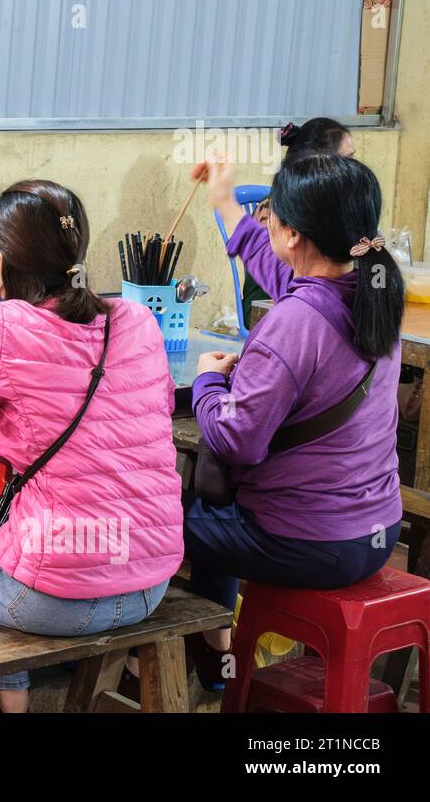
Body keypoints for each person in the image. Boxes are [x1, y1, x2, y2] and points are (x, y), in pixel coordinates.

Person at [0, 180, 183, 712]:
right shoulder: (137, 321)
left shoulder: (7, 329)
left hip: (57, 600)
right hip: (148, 584)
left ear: (1, 258)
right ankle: (11, 696)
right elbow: (157, 402)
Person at [183, 154, 403, 688]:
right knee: (216, 510)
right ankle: (219, 662)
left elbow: (235, 441)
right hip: (375, 531)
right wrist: (224, 202)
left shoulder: (295, 321)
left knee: (169, 520)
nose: (265, 223)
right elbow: (276, 265)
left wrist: (208, 382)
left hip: (306, 544)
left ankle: (201, 662)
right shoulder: (374, 293)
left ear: (296, 234)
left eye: (271, 215)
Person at [241, 119, 356, 308]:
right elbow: (288, 283)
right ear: (318, 164)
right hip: (267, 306)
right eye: (348, 160)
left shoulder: (338, 207)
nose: (356, 169)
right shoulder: (275, 213)